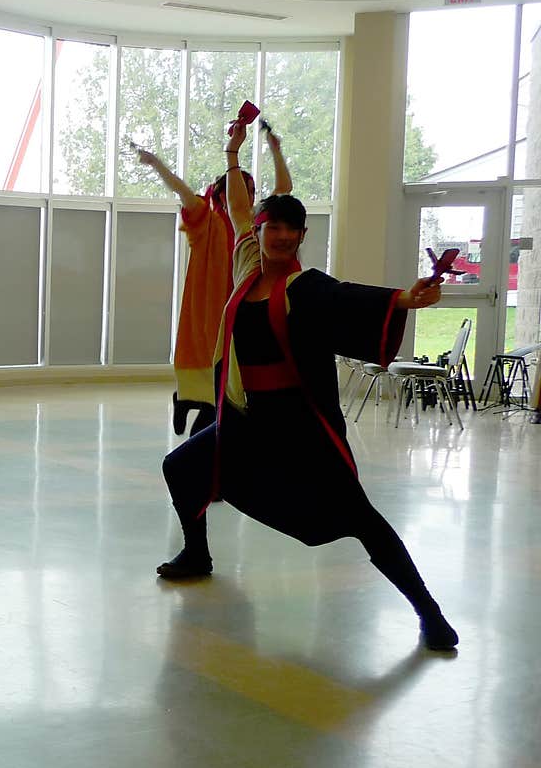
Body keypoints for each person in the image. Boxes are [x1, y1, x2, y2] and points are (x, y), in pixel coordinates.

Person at [156, 118, 459, 652]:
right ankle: (197, 553)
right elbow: (238, 207)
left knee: (362, 519)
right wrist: (234, 151)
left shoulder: (307, 287)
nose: (277, 236)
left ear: (299, 236)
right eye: (270, 226)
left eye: (288, 231)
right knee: (181, 467)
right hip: (248, 421)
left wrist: (409, 299)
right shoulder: (245, 263)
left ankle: (428, 611)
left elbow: (354, 299)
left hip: (299, 426)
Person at [135, 122, 292, 437]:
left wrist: (276, 150)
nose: (249, 195)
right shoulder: (206, 218)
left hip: (240, 305)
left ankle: (196, 415)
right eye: (243, 189)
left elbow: (283, 190)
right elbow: (180, 189)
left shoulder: (255, 224)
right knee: (210, 368)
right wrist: (156, 164)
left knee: (227, 379)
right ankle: (188, 405)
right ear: (224, 192)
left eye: (252, 191)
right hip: (208, 308)